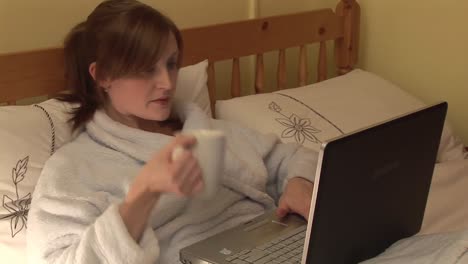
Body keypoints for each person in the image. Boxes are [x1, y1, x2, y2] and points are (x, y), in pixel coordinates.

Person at [26, 0, 317, 263]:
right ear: (103, 75)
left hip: (276, 247)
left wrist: (299, 182)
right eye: (146, 69)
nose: (167, 82)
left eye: (171, 64)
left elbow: (293, 157)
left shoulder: (205, 129)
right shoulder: (73, 169)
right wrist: (143, 195)